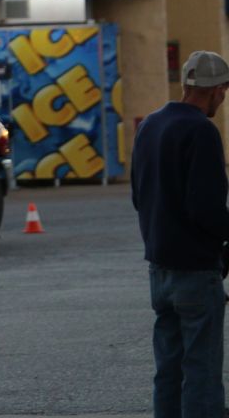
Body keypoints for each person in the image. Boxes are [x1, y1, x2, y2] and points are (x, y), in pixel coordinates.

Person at [131, 50, 229, 418]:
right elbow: (206, 209)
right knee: (202, 372)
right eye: (224, 92)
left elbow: (138, 197)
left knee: (168, 372)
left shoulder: (150, 125)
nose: (223, 99)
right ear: (215, 89)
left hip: (160, 269)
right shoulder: (202, 131)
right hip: (196, 271)